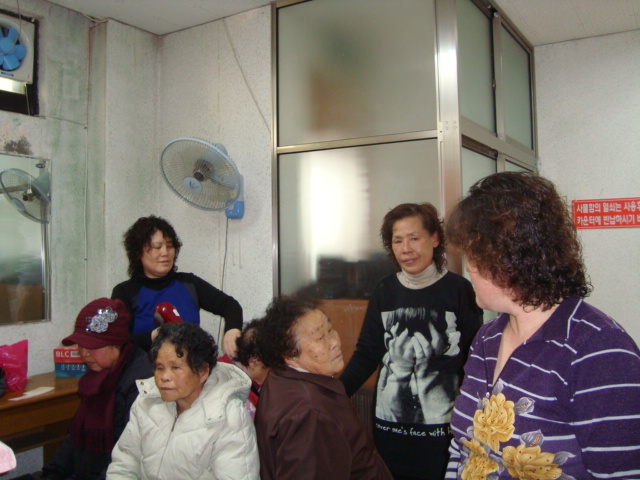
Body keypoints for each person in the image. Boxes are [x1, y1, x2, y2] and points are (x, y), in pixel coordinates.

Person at [444, 172, 640, 479]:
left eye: (473, 254)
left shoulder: (599, 350)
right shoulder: (487, 338)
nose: (468, 267)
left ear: (508, 258)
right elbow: (463, 449)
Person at [339, 203, 483, 480]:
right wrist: (334, 394)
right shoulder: (385, 290)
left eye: (414, 238)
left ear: (435, 239)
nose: (406, 249)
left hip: (444, 428)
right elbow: (367, 353)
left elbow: (475, 360)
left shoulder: (459, 290)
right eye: (398, 241)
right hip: (389, 426)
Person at [255, 296, 393, 480]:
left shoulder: (280, 377)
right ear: (290, 354)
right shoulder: (309, 414)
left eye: (330, 329)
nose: (335, 341)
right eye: (320, 337)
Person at [107, 322, 259, 479]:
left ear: (202, 371)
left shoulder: (229, 417)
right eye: (159, 368)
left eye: (175, 368)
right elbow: (124, 464)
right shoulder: (147, 400)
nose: (164, 377)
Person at [41, 298, 153, 480]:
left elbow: (127, 455)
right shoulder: (97, 376)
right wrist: (52, 474)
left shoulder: (141, 384)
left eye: (92, 346)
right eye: (81, 345)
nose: (84, 353)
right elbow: (76, 436)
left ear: (116, 344)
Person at [111, 215, 243, 357]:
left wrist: (232, 330)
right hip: (144, 368)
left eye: (169, 246)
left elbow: (231, 306)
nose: (165, 253)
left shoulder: (189, 283)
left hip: (188, 365)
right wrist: (155, 336)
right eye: (157, 247)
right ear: (138, 253)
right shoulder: (125, 292)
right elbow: (117, 343)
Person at [218, 318, 270, 420]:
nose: (273, 373)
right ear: (254, 362)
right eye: (271, 367)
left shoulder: (223, 365)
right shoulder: (242, 403)